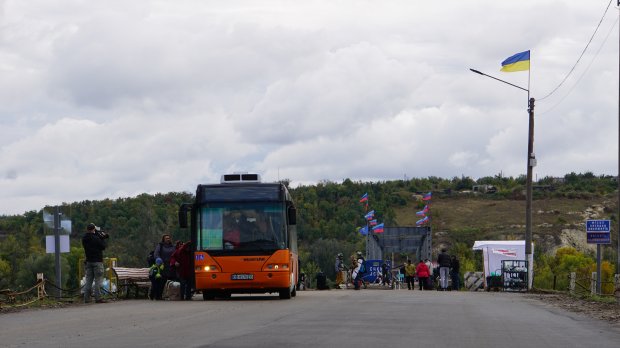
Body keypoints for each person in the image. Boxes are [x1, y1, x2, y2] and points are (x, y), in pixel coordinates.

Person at [82, 223, 108, 303]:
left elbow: (91, 237)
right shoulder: (96, 238)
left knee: (88, 281)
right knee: (98, 281)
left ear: (87, 229)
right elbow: (103, 246)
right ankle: (98, 298)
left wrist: (97, 234)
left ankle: (86, 298)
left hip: (89, 261)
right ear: (93, 229)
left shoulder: (84, 238)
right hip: (97, 262)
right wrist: (102, 237)